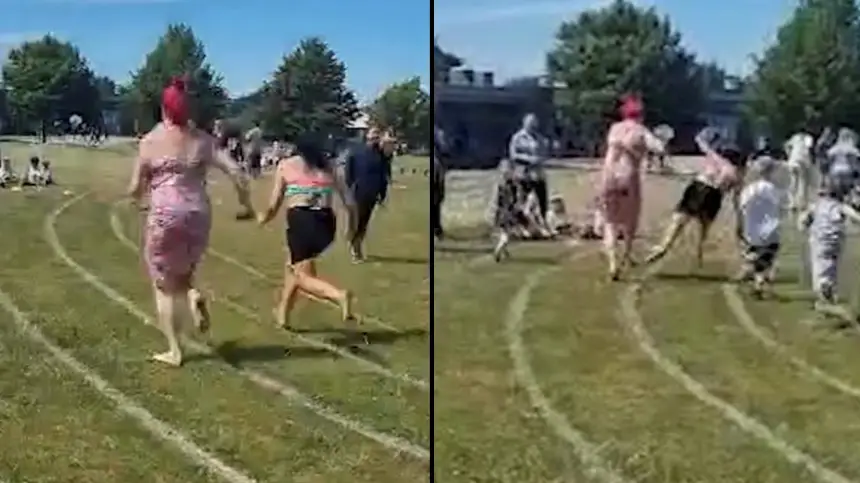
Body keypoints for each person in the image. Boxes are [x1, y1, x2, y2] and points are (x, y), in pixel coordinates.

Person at [126, 76, 254, 367]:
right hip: (198, 214)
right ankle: (194, 294)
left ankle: (174, 350)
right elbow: (237, 172)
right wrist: (245, 204)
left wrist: (138, 197)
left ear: (163, 109)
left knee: (163, 285)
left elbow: (134, 187)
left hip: (164, 214)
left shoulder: (150, 141)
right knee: (184, 269)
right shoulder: (203, 141)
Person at [257, 135, 357, 329]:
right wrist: (352, 231)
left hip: (302, 221)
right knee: (293, 267)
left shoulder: (286, 165)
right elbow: (351, 205)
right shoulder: (331, 168)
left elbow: (273, 204)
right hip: (326, 224)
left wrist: (263, 218)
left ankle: (339, 296)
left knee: (301, 276)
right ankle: (282, 315)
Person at [645, 128, 747, 268]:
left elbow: (703, 145)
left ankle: (664, 246)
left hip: (700, 186)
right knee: (704, 227)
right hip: (715, 195)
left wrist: (701, 138)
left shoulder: (716, 159)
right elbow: (737, 199)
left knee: (678, 221)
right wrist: (740, 223)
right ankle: (699, 253)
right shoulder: (737, 174)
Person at [600, 95, 666, 280]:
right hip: (629, 178)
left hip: (608, 177)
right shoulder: (641, 131)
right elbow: (659, 148)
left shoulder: (614, 129)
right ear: (640, 115)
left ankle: (613, 263)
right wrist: (662, 141)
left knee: (611, 223)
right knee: (630, 222)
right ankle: (626, 257)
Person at [798, 177, 860, 319]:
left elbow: (802, 221)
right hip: (835, 244)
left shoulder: (817, 206)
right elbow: (855, 217)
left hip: (820, 244)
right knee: (831, 268)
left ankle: (832, 306)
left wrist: (804, 226)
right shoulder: (840, 206)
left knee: (821, 273)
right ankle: (829, 295)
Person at [736, 157, 783, 298]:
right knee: (767, 257)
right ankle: (760, 282)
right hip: (771, 230)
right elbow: (779, 208)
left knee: (756, 256)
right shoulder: (773, 189)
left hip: (752, 231)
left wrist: (741, 225)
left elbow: (742, 208)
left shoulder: (749, 189)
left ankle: (757, 276)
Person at [344, 127, 390, 262]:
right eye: (373, 137)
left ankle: (356, 243)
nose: (375, 140)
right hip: (358, 192)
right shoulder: (356, 153)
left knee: (364, 221)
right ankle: (355, 247)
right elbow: (348, 173)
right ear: (367, 137)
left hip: (372, 193)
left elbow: (383, 176)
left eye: (377, 137)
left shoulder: (381, 156)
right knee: (357, 221)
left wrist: (382, 194)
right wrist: (351, 188)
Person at [509, 113, 549, 218]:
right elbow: (513, 155)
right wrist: (528, 159)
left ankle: (542, 220)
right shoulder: (517, 138)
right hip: (523, 173)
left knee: (542, 199)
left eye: (534, 124)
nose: (532, 126)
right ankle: (520, 222)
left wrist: (540, 158)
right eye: (530, 123)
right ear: (525, 123)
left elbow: (544, 153)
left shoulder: (540, 138)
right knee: (522, 199)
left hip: (538, 173)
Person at [784, 130, 814, 211]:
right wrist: (810, 162)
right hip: (802, 161)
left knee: (793, 182)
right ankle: (802, 204)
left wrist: (789, 155)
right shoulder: (808, 138)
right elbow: (809, 148)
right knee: (803, 183)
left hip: (792, 161)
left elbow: (786, 145)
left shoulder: (795, 137)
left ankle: (792, 203)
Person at [432, 124, 450, 241]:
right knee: (437, 198)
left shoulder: (438, 131)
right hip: (436, 165)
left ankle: (437, 228)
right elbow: (444, 148)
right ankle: (437, 228)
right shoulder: (438, 132)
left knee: (436, 199)